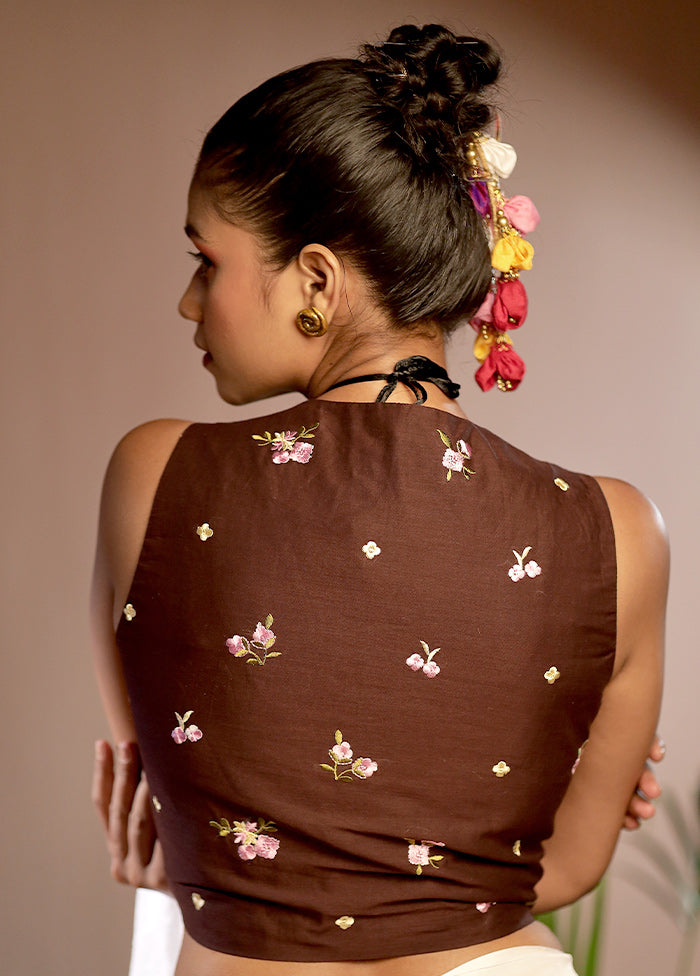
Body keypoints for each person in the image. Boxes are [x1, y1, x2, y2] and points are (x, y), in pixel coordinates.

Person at [90, 24, 668, 976]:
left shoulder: (154, 474)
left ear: (316, 279)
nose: (191, 302)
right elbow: (561, 867)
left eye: (207, 261)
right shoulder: (621, 531)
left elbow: (163, 807)